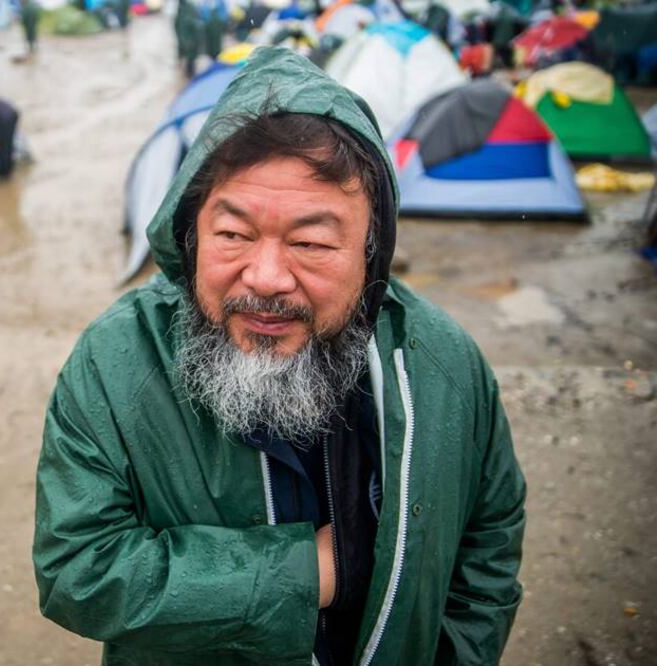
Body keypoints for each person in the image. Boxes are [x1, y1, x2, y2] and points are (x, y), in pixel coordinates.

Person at [33, 48, 526, 665]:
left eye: (312, 242)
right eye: (233, 235)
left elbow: (489, 543)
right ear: (191, 234)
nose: (265, 278)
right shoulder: (117, 359)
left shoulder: (442, 363)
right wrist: (309, 571)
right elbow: (77, 570)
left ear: (370, 252)